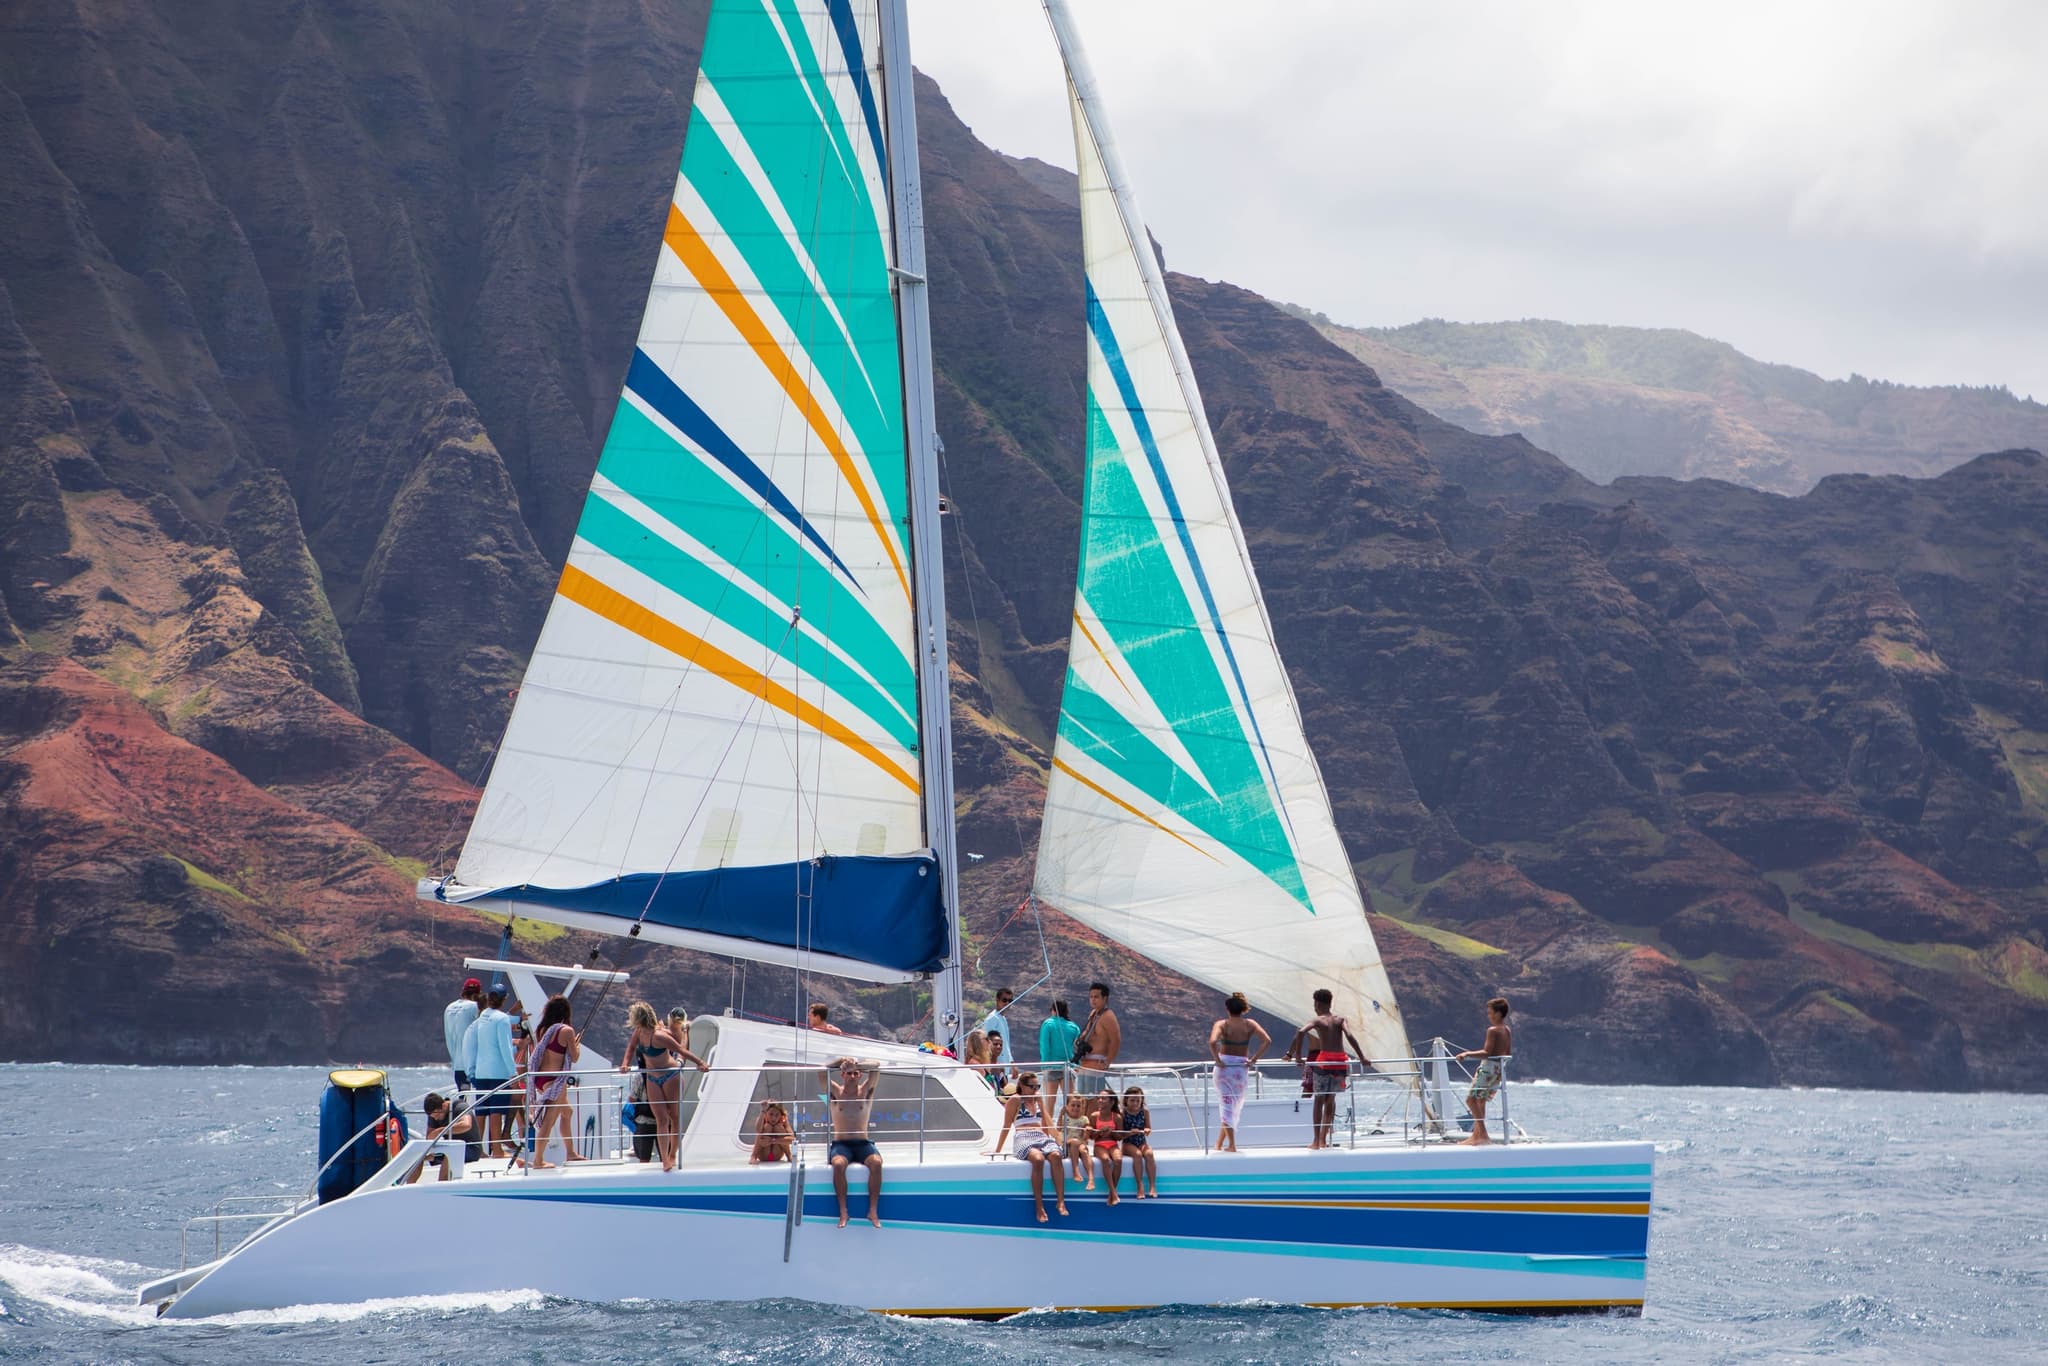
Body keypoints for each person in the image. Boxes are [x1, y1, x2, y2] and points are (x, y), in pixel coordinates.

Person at [1282, 988, 1375, 1150]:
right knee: (1331, 1099)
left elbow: (1301, 1032)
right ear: (1330, 1003)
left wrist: (1297, 1056)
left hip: (1324, 1062)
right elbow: (1350, 1036)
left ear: (1317, 1004)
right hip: (1340, 1062)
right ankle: (1325, 1139)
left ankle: (1316, 1141)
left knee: (1318, 1100)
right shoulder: (1340, 1020)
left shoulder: (1318, 1021)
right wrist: (1361, 1057)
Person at [619, 1000, 706, 1172]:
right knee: (661, 1119)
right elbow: (630, 1048)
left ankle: (672, 1155)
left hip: (670, 1075)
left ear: (639, 1018)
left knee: (674, 1117)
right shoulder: (639, 1032)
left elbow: (682, 1051)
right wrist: (625, 1063)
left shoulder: (659, 1036)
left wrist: (700, 1063)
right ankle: (665, 1160)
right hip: (653, 1079)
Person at [989, 1071, 1068, 1222]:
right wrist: (998, 1150)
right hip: (1023, 1136)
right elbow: (1006, 1126)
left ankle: (1061, 1201)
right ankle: (1039, 1206)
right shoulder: (1015, 1100)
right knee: (1037, 1160)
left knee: (1056, 1156)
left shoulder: (1038, 1099)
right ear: (1022, 1086)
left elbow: (1046, 1121)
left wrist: (1055, 1138)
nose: (1035, 1090)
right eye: (1032, 1087)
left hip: (1040, 1136)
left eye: (1037, 1086)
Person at [823, 1056, 884, 1227]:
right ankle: (843, 1212)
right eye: (849, 1073)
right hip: (842, 1144)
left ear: (860, 1075)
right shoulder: (835, 1092)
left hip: (862, 1143)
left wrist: (857, 1065)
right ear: (842, 1075)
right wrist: (839, 1062)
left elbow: (876, 1066)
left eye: (856, 1073)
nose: (852, 1076)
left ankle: (873, 1211)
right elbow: (822, 1072)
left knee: (877, 1163)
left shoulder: (865, 1091)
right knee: (838, 1164)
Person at [461, 987, 522, 1159]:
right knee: (496, 1113)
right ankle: (497, 1150)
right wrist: (513, 1074)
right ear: (504, 999)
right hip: (498, 1073)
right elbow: (505, 1048)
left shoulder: (482, 1017)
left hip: (481, 1072)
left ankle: (479, 1151)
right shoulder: (501, 1019)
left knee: (482, 1113)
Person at [1207, 991, 1271, 1153]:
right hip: (1241, 1068)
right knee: (1232, 1106)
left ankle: (1232, 1145)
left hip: (1224, 1068)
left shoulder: (1222, 1024)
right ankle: (1219, 1144)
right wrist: (1254, 1059)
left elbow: (1212, 1042)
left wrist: (1218, 1060)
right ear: (1242, 1009)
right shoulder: (1250, 1024)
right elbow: (1266, 1041)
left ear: (1227, 1009)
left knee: (1226, 1105)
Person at [528, 994, 583, 1169]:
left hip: (541, 1079)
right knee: (549, 1120)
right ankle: (538, 1161)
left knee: (567, 1112)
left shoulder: (543, 1029)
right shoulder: (566, 1031)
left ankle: (571, 1153)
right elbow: (574, 1058)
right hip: (554, 1081)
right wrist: (577, 1045)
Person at [1455, 997, 1513, 1145]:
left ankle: (1483, 1135)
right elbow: (1507, 1052)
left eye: (1490, 1012)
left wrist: (1467, 1054)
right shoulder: (1507, 1030)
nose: (1489, 1016)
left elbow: (1487, 1052)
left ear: (1499, 1013)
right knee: (1480, 1101)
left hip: (1488, 1068)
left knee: (1471, 1100)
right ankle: (1476, 1135)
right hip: (1498, 1069)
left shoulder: (1492, 1030)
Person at [409, 1091, 473, 1183]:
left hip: (469, 1148)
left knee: (450, 1154)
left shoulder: (459, 1106)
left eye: (437, 1115)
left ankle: (442, 1184)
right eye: (433, 1117)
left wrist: (440, 1131)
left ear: (443, 1106)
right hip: (449, 1148)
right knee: (419, 1156)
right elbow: (430, 1136)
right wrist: (429, 1152)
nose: (436, 1119)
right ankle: (410, 1186)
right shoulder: (434, 1115)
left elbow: (466, 1125)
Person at [1074, 982, 1121, 1096]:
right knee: (1082, 1099)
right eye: (1091, 997)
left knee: (1093, 1100)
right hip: (1084, 1063)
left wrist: (1107, 1062)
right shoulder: (1093, 1014)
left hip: (1096, 1063)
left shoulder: (1108, 1016)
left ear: (1105, 998)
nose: (1093, 1000)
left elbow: (1116, 1040)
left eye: (1096, 997)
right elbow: (1087, 1033)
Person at [1038, 998, 1081, 1105]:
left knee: (1049, 1104)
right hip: (1069, 1067)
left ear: (1054, 1010)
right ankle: (1067, 1121)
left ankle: (1049, 1122)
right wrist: (1077, 1065)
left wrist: (1044, 1066)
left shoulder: (1048, 1024)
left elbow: (1045, 1047)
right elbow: (1078, 1048)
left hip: (1052, 1067)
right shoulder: (1074, 1027)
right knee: (1070, 1103)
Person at [443, 977, 482, 1093]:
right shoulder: (475, 1007)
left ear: (463, 991)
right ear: (478, 993)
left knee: (464, 1099)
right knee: (478, 1102)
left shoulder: (449, 1008)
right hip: (473, 1065)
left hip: (457, 1065)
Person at [1119, 1085, 1157, 1198]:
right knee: (1137, 1155)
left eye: (1138, 1100)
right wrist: (1131, 1132)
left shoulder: (1144, 1111)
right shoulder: (1122, 1113)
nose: (1135, 1103)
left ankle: (1152, 1186)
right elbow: (1120, 1135)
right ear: (1126, 1100)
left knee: (1149, 1154)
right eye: (1132, 1100)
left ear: (1141, 1101)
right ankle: (1140, 1186)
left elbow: (1148, 1128)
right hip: (1128, 1143)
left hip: (1141, 1142)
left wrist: (1146, 1130)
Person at [1090, 1093, 1125, 1206]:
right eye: (1099, 1098)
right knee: (1105, 1160)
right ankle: (1114, 1193)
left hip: (1113, 1144)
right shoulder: (1094, 1116)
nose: (1100, 1100)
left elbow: (1119, 1137)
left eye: (1103, 1098)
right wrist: (1099, 1132)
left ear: (1112, 1102)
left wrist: (1112, 1132)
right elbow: (1091, 1136)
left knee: (1118, 1160)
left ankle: (1112, 1193)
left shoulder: (1117, 1117)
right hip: (1099, 1145)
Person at [1061, 1093, 1095, 1191]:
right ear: (1067, 1106)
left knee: (1084, 1151)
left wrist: (1087, 1130)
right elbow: (1059, 1130)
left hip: (1080, 1142)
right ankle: (1075, 1171)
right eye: (1073, 1105)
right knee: (1075, 1143)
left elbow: (1085, 1137)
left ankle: (1091, 1178)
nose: (1076, 1108)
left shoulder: (1084, 1119)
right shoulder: (1064, 1118)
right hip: (1068, 1142)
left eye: (1078, 1106)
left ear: (1082, 1107)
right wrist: (1060, 1114)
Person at [975, 987, 1017, 1066]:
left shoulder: (1003, 1018)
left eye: (1010, 1001)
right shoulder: (992, 1018)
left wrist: (1011, 1062)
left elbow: (1006, 1044)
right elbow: (986, 1043)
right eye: (1004, 1000)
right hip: (995, 1066)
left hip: (1004, 1065)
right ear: (997, 1000)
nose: (1007, 1003)